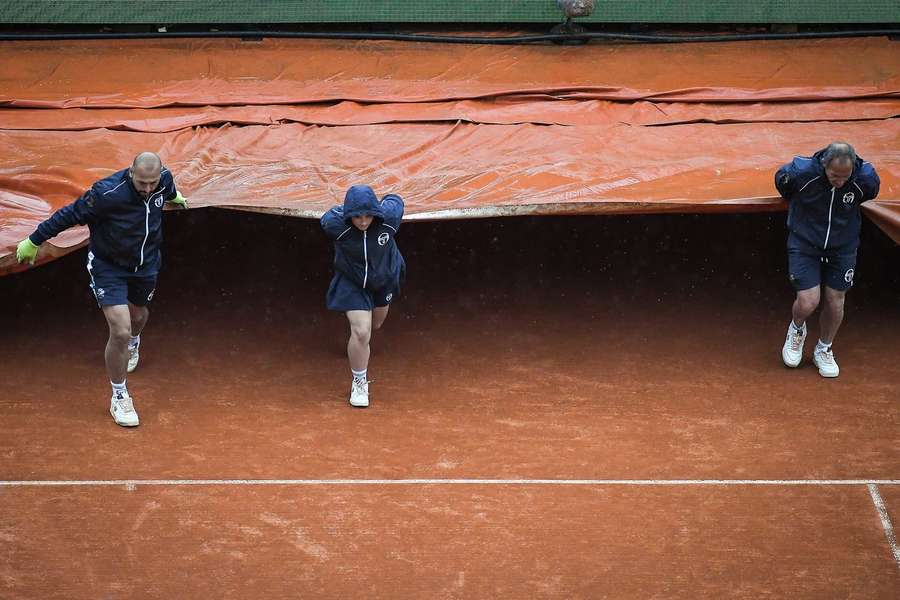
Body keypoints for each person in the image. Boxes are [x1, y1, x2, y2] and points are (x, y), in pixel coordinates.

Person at [15, 152, 187, 426]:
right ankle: (119, 396)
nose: (147, 189)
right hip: (108, 266)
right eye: (142, 182)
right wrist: (34, 240)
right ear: (131, 173)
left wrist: (174, 197)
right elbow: (68, 214)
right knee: (120, 329)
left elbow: (167, 188)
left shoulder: (162, 181)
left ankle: (134, 342)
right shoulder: (107, 193)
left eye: (152, 183)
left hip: (146, 264)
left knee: (139, 317)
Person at [775, 142, 880, 377]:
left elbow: (871, 192)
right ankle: (797, 330)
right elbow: (783, 184)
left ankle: (824, 348)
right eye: (834, 175)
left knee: (836, 301)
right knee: (808, 302)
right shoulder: (802, 172)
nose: (840, 181)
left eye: (845, 176)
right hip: (805, 244)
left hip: (842, 248)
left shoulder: (865, 178)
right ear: (824, 166)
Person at [321, 185, 405, 407]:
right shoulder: (336, 225)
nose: (364, 221)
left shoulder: (390, 217)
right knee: (361, 331)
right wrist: (347, 210)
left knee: (375, 325)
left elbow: (395, 198)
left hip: (383, 279)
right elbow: (328, 216)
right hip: (352, 282)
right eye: (357, 216)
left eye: (368, 215)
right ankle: (359, 383)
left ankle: (358, 333)